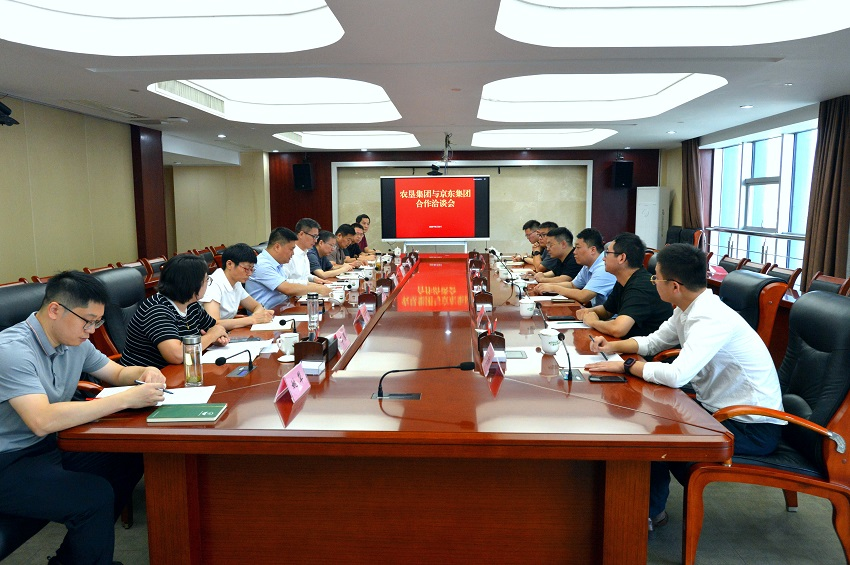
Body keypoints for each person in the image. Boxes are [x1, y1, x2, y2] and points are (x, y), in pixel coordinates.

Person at [585, 243, 784, 531]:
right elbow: (654, 342)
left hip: (750, 426)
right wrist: (612, 347)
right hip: (719, 411)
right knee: (650, 415)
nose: (653, 282)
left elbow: (677, 375)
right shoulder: (688, 307)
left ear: (674, 286)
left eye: (656, 278)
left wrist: (627, 366)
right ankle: (640, 502)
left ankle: (646, 515)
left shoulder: (711, 318)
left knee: (653, 434)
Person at [0, 271, 167, 565]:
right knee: (94, 496)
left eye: (98, 322)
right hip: (9, 460)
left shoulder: (73, 341)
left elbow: (116, 373)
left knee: (128, 458)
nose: (92, 330)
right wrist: (126, 399)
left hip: (48, 446)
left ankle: (73, 560)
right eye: (87, 321)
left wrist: (144, 372)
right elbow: (41, 420)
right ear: (55, 310)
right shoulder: (12, 351)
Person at [121, 254, 228, 369]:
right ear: (192, 284)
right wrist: (211, 336)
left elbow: (213, 327)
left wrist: (216, 337)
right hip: (147, 376)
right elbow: (176, 355)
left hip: (180, 370)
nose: (208, 283)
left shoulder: (191, 304)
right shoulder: (157, 310)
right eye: (206, 279)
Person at [575, 232, 672, 338]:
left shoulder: (641, 286)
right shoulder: (623, 280)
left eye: (607, 253)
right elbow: (607, 311)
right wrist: (588, 311)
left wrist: (593, 322)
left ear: (621, 258)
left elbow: (618, 329)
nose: (603, 258)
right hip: (628, 342)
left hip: (648, 347)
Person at [246, 227, 331, 309]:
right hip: (269, 313)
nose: (293, 253)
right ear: (277, 247)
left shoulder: (277, 263)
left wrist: (312, 284)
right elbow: (287, 288)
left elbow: (287, 282)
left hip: (283, 307)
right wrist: (317, 289)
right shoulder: (262, 264)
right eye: (291, 249)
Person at [529, 228, 615, 306]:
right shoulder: (587, 265)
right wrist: (546, 286)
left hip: (609, 317)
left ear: (592, 250)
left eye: (578, 247)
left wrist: (553, 288)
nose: (574, 251)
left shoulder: (603, 267)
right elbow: (573, 285)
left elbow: (583, 296)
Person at [199, 243, 275, 330]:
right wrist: (252, 319)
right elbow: (213, 323)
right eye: (246, 269)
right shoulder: (213, 284)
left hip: (226, 332)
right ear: (229, 264)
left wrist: (258, 316)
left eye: (252, 269)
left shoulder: (236, 282)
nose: (249, 274)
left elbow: (257, 306)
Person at [285, 218, 330, 285]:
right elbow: (284, 281)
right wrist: (309, 284)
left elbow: (304, 275)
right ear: (301, 234)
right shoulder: (288, 253)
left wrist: (314, 278)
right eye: (314, 236)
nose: (315, 241)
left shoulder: (305, 252)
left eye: (316, 237)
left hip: (305, 290)